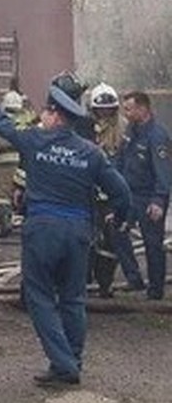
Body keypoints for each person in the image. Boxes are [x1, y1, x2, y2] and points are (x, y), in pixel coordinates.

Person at [0, 80, 129, 387]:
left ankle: (64, 366)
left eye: (47, 111)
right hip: (78, 232)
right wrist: (120, 218)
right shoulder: (91, 153)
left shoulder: (37, 141)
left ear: (56, 115)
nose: (43, 116)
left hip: (43, 230)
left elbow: (3, 125)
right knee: (73, 299)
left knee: (39, 298)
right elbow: (122, 192)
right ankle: (71, 359)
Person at [111, 90, 171, 300]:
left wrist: (158, 201)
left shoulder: (157, 136)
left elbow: (163, 172)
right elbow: (120, 160)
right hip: (128, 195)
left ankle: (155, 290)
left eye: (129, 109)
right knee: (116, 230)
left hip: (148, 197)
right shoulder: (130, 131)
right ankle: (133, 278)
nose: (125, 113)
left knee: (152, 243)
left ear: (142, 109)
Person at [88, 83, 124, 297]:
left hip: (111, 196)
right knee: (87, 238)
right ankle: (84, 279)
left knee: (111, 241)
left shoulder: (122, 132)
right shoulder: (85, 129)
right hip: (89, 195)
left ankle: (105, 283)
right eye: (101, 110)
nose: (104, 114)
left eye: (109, 110)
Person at [0, 89, 27, 236]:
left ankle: (5, 223)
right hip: (24, 164)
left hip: (5, 164)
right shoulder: (26, 119)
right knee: (21, 192)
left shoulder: (2, 120)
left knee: (1, 196)